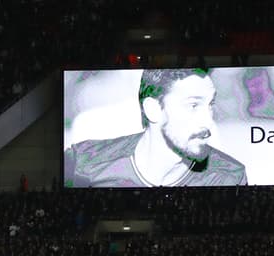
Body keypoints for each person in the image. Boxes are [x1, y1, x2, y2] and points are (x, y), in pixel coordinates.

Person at [65, 67, 247, 187]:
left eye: (210, 104)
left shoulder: (229, 175)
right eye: (193, 105)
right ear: (153, 109)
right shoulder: (82, 160)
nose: (207, 119)